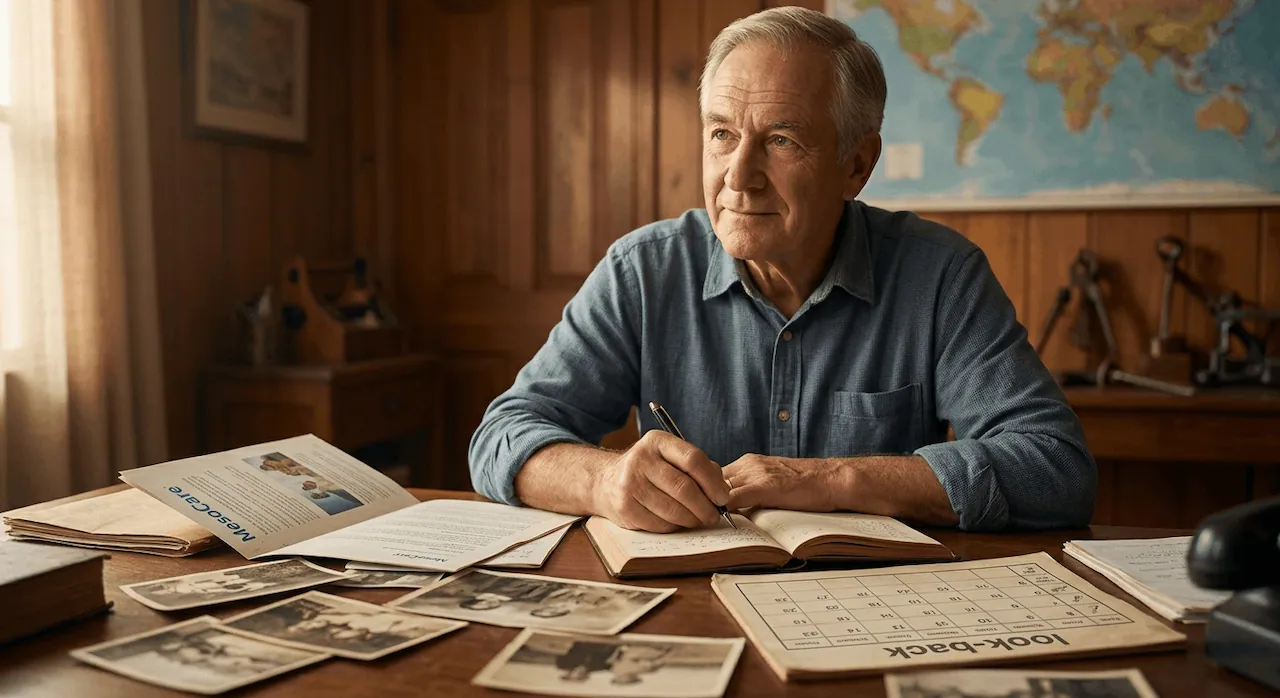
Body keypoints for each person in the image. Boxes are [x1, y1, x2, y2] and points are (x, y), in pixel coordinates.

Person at [468, 6, 1096, 533]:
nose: (737, 177)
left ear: (857, 164)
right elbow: (503, 437)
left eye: (782, 141)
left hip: (876, 611)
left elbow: (1056, 468)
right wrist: (604, 480)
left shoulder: (939, 275)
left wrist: (834, 478)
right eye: (721, 134)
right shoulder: (644, 270)